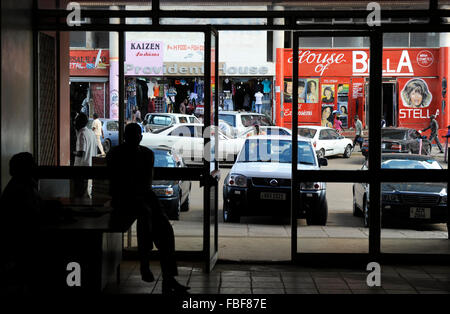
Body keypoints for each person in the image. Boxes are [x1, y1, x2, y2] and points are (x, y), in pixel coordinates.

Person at [106, 123, 189, 294]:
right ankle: (151, 267)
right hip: (126, 199)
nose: (136, 139)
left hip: (138, 198)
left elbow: (142, 182)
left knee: (165, 230)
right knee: (148, 217)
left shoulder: (123, 154)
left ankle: (162, 274)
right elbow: (126, 182)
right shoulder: (138, 154)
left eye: (136, 136)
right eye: (134, 136)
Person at [74, 112, 98, 198]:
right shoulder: (91, 133)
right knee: (85, 191)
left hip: (81, 167)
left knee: (79, 193)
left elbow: (81, 153)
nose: (74, 123)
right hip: (89, 165)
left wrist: (72, 152)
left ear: (79, 122)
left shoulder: (81, 134)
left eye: (75, 121)